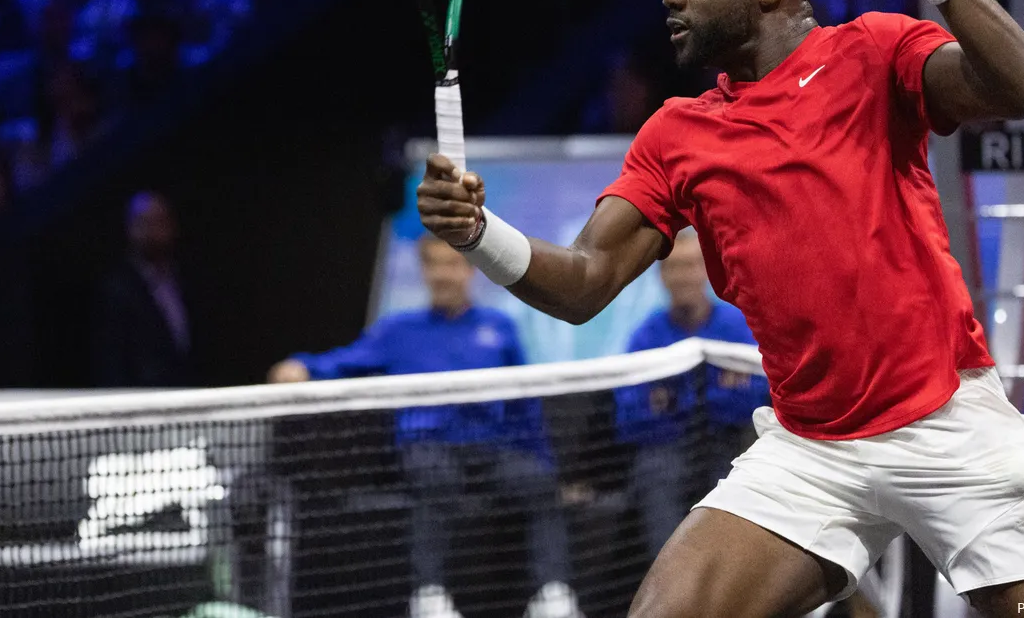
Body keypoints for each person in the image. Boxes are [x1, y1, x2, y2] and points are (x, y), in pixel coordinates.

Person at [418, 0, 1024, 618]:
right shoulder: (677, 132)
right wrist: (478, 234)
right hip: (810, 451)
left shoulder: (873, 54)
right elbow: (584, 284)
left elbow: (1023, 87)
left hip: (946, 425)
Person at [270, 236, 582, 618]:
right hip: (426, 447)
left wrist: (547, 465)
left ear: (470, 270)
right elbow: (344, 362)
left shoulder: (500, 327)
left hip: (491, 448)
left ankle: (552, 595)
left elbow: (525, 405)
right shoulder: (398, 330)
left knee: (536, 482)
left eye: (451, 264)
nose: (442, 274)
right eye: (433, 265)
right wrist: (301, 366)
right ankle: (429, 596)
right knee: (436, 477)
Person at [616, 231, 767, 558]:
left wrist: (674, 401)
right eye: (675, 267)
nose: (683, 276)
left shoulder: (737, 326)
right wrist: (715, 394)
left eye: (691, 266)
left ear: (706, 270)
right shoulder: (645, 336)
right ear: (662, 275)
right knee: (654, 474)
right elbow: (629, 418)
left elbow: (758, 399)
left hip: (731, 447)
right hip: (665, 453)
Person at [92, 192, 195, 387]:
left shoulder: (185, 280)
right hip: (141, 402)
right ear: (130, 228)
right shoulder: (117, 290)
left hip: (189, 396)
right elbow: (111, 362)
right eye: (144, 223)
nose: (153, 231)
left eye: (159, 221)